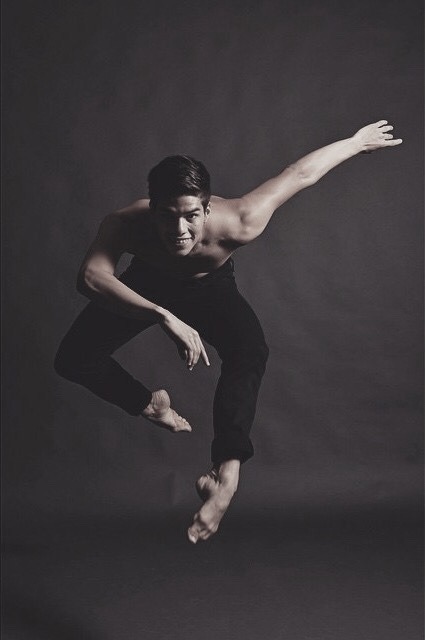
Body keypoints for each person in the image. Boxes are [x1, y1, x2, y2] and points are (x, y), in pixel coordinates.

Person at [54, 120, 402, 544]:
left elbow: (300, 174)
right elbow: (89, 277)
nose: (179, 230)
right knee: (73, 359)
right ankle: (151, 404)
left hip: (209, 287)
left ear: (205, 208)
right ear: (152, 208)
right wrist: (161, 314)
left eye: (190, 217)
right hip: (148, 284)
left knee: (250, 350)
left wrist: (353, 144)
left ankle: (227, 470)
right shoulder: (126, 223)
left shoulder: (241, 219)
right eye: (167, 216)